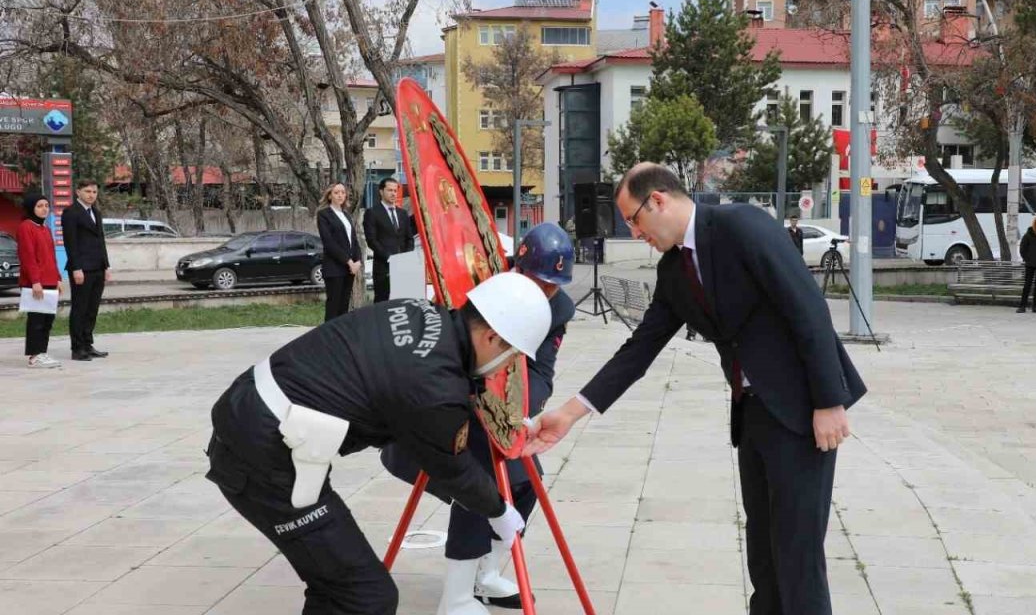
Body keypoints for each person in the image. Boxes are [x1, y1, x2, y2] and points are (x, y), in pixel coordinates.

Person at [524, 162, 866, 615]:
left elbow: (808, 308)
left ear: (659, 200)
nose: (635, 232)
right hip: (753, 415)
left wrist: (828, 401)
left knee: (798, 556)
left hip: (803, 412)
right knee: (763, 555)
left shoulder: (741, 226)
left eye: (634, 219)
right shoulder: (674, 271)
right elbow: (638, 351)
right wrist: (568, 412)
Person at [205, 272, 552, 615]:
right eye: (511, 356)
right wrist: (499, 510)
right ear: (492, 337)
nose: (504, 368)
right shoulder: (434, 386)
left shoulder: (420, 312)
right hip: (264, 456)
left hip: (255, 417)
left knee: (340, 591)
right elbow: (452, 469)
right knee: (365, 597)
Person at [380, 222, 576, 615]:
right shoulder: (475, 278)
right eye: (535, 281)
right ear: (516, 269)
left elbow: (541, 373)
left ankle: (485, 575)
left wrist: (515, 406)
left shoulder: (557, 309)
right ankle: (455, 598)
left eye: (551, 286)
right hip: (437, 417)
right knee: (480, 483)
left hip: (497, 415)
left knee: (526, 485)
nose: (542, 294)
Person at [61, 180, 111, 361]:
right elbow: (70, 243)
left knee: (92, 309)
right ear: (78, 192)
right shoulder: (70, 212)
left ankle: (88, 344)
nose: (91, 195)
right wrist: (76, 268)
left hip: (97, 267)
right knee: (80, 308)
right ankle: (77, 348)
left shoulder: (95, 212)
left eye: (94, 192)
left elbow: (101, 241)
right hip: (81, 269)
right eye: (88, 191)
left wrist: (106, 265)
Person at [17, 194, 63, 368]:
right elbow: (28, 257)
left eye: (46, 205)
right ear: (31, 208)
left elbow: (51, 257)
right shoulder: (26, 227)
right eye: (39, 206)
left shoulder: (45, 229)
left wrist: (57, 278)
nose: (44, 209)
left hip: (50, 280)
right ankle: (34, 356)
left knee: (47, 320)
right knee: (36, 320)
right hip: (36, 283)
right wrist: (35, 281)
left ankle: (42, 352)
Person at [364, 178, 415, 303]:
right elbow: (372, 240)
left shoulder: (403, 213)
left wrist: (405, 258)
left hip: (403, 267)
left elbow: (409, 238)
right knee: (383, 303)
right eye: (389, 190)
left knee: (402, 303)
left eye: (395, 190)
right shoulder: (372, 213)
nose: (393, 193)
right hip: (383, 267)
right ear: (381, 192)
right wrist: (390, 258)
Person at [317, 183, 363, 321]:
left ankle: (340, 338)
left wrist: (358, 261)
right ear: (330, 195)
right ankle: (328, 339)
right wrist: (348, 261)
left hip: (349, 269)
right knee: (334, 306)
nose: (340, 195)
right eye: (336, 192)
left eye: (343, 192)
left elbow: (354, 241)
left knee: (344, 306)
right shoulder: (324, 215)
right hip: (334, 268)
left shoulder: (346, 215)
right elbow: (329, 243)